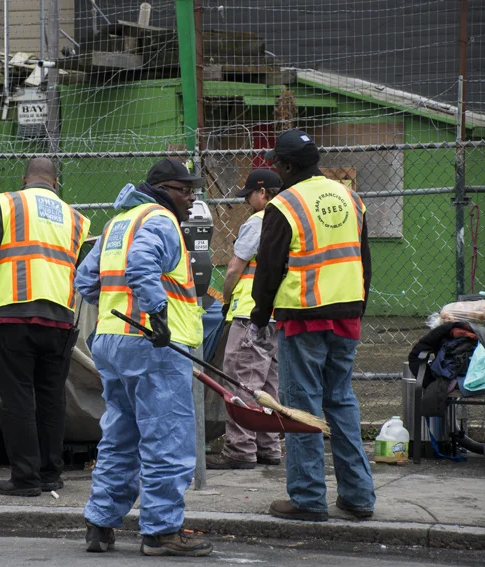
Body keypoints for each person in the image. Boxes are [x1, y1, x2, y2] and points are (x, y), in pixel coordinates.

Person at [76, 158, 212, 557]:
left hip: (113, 339)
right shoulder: (161, 220)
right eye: (184, 190)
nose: (190, 199)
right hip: (154, 345)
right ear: (163, 189)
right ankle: (162, 531)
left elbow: (86, 279)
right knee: (166, 437)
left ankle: (100, 525)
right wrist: (156, 313)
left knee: (120, 434)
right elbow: (141, 265)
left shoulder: (118, 223)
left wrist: (122, 305)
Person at [250, 129, 375, 521]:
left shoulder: (284, 205)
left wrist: (259, 314)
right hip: (346, 315)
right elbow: (363, 261)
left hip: (303, 317)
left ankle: (307, 499)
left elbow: (269, 268)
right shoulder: (350, 197)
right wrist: (358, 308)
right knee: (340, 401)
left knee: (299, 408)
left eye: (277, 165)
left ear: (286, 166)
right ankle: (358, 496)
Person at [0, 158, 89, 496]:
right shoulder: (74, 218)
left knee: (17, 397)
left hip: (15, 313)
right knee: (50, 397)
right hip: (60, 318)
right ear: (56, 183)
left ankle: (25, 478)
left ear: (25, 178)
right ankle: (49, 473)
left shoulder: (10, 203)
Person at [207, 169, 283, 470]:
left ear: (262, 193)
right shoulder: (289, 220)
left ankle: (240, 448)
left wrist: (225, 297)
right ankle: (268, 445)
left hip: (249, 313)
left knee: (241, 381)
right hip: (279, 315)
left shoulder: (258, 221)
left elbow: (233, 271)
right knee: (267, 383)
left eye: (250, 195)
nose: (248, 201)